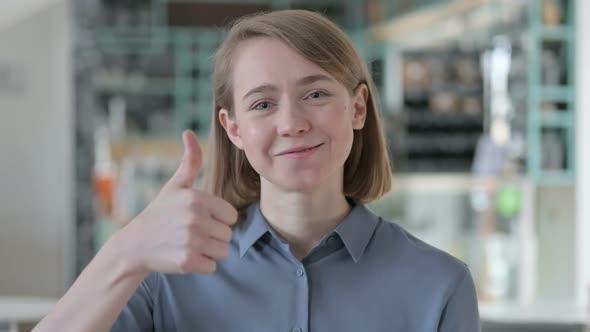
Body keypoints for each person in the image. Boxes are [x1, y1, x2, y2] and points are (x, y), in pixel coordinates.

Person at [34, 9, 480, 332]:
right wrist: (125, 251)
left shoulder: (440, 285)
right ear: (234, 129)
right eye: (263, 104)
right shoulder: (166, 275)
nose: (292, 123)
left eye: (317, 94)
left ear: (358, 107)